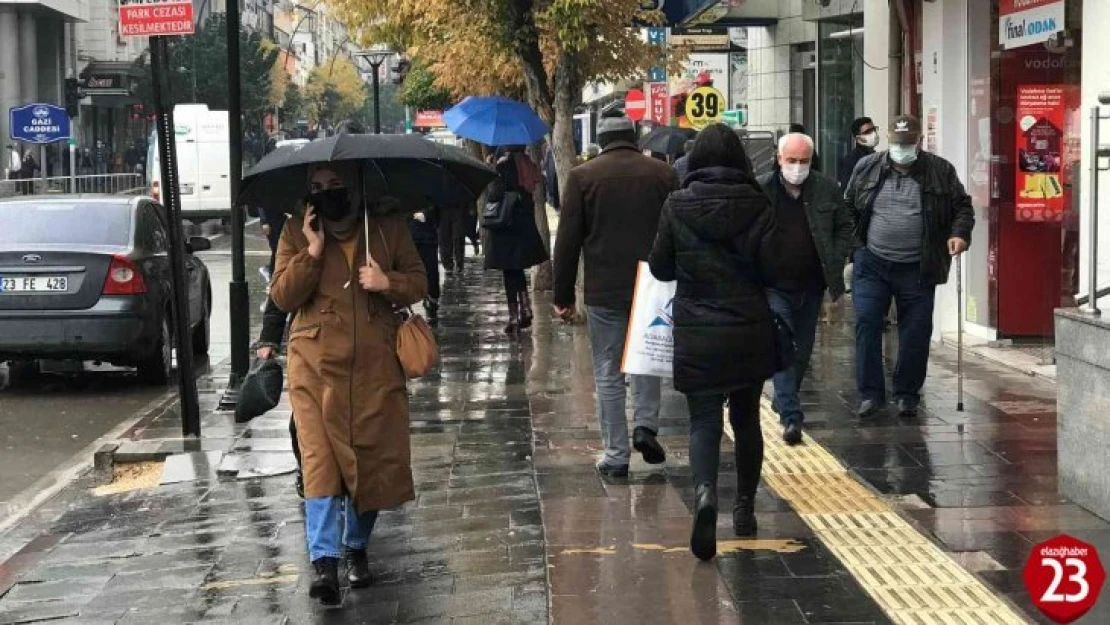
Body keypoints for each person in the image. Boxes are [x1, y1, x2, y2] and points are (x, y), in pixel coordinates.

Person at [270, 163, 427, 605]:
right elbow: (282, 296)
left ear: (355, 188)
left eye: (335, 186)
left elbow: (418, 282)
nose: (326, 194)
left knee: (371, 459)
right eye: (317, 188)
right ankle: (324, 562)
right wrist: (313, 252)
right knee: (320, 459)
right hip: (314, 367)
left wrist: (386, 282)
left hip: (375, 366)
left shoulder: (386, 228)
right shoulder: (295, 233)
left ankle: (355, 546)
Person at [648, 123, 778, 560]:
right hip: (748, 329)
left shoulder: (676, 205)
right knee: (746, 421)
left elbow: (661, 268)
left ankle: (705, 495)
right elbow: (772, 268)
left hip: (698, 332)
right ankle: (744, 507)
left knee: (703, 422)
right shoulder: (759, 203)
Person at [552, 112, 678, 477]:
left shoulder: (582, 177)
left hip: (604, 289)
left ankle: (616, 454)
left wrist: (563, 296)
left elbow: (568, 242)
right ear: (634, 136)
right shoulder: (662, 175)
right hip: (652, 285)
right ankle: (645, 426)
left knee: (608, 371)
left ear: (603, 142)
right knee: (646, 361)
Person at [845, 114, 974, 419]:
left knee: (916, 331)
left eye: (907, 143)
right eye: (896, 143)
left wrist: (959, 234)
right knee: (867, 323)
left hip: (917, 265)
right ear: (888, 141)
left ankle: (907, 393)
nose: (901, 149)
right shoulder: (867, 167)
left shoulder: (940, 171)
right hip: (872, 262)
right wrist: (855, 247)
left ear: (918, 142)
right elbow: (847, 207)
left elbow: (962, 207)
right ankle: (871, 394)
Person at [759, 133, 854, 445]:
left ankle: (783, 399)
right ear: (779, 159)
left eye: (804, 161)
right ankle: (791, 417)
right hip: (773, 286)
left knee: (802, 351)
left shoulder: (826, 189)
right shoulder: (761, 189)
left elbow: (844, 226)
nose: (797, 167)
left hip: (812, 284)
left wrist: (837, 256)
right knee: (784, 345)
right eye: (792, 161)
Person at [483, 145, 549, 335]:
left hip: (507, 227)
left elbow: (495, 193)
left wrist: (492, 169)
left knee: (509, 273)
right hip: (523, 226)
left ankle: (514, 316)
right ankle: (525, 308)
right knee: (517, 271)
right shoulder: (528, 164)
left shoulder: (504, 166)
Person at [409, 204, 441, 323]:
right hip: (408, 235)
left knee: (431, 272)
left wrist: (426, 213)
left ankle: (432, 301)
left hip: (427, 237)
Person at [838, 116, 878, 189]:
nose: (873, 133)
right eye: (867, 132)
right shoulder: (851, 160)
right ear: (858, 139)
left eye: (874, 129)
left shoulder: (876, 156)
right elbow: (847, 189)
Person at [438, 198, 467, 275]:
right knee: (444, 239)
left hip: (458, 208)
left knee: (458, 238)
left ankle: (459, 264)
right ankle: (448, 265)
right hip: (442, 209)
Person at [543, 141, 560, 212]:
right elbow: (545, 163)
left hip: (554, 170)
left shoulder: (553, 148)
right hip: (551, 170)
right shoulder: (546, 147)